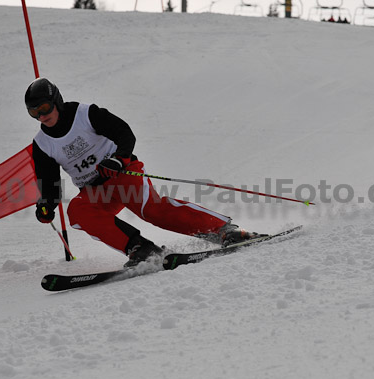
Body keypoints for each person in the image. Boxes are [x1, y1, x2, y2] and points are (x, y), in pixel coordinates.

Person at [26, 77, 261, 267]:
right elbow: (49, 183)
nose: (41, 116)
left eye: (44, 108)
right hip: (95, 191)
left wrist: (119, 159)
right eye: (34, 113)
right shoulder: (43, 144)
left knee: (152, 210)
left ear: (56, 101)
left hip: (122, 174)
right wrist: (46, 204)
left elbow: (124, 132)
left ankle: (224, 230)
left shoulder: (84, 114)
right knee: (77, 211)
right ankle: (141, 248)